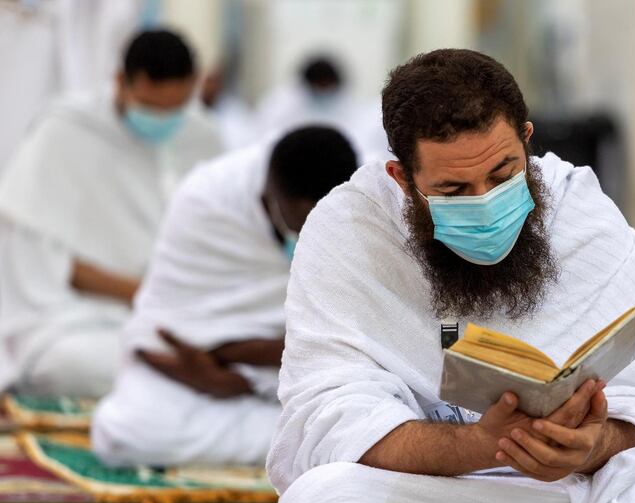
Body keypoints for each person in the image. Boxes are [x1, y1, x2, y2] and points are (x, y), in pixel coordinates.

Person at [267, 50, 635, 503]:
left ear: (527, 139)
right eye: (453, 191)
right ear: (402, 178)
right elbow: (327, 412)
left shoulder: (580, 210)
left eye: (503, 174)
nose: (485, 203)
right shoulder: (350, 228)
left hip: (572, 492)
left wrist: (591, 445)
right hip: (437, 494)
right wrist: (480, 446)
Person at [91, 127, 358, 467]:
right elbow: (158, 328)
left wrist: (244, 380)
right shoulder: (207, 199)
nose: (307, 239)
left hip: (301, 379)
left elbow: (361, 336)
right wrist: (211, 373)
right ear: (270, 193)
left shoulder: (361, 207)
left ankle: (316, 445)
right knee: (126, 432)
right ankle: (314, 449)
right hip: (194, 378)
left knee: (373, 418)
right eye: (298, 226)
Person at [0, 29, 221, 397]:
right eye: (151, 109)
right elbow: (40, 259)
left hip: (178, 315)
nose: (164, 119)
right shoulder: (65, 131)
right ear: (121, 81)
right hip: (80, 317)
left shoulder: (202, 137)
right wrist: (146, 293)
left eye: (175, 109)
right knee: (71, 364)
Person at [255, 54, 388, 163]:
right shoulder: (282, 105)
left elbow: (360, 140)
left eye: (326, 84)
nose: (323, 89)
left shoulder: (347, 104)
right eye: (320, 84)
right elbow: (265, 140)